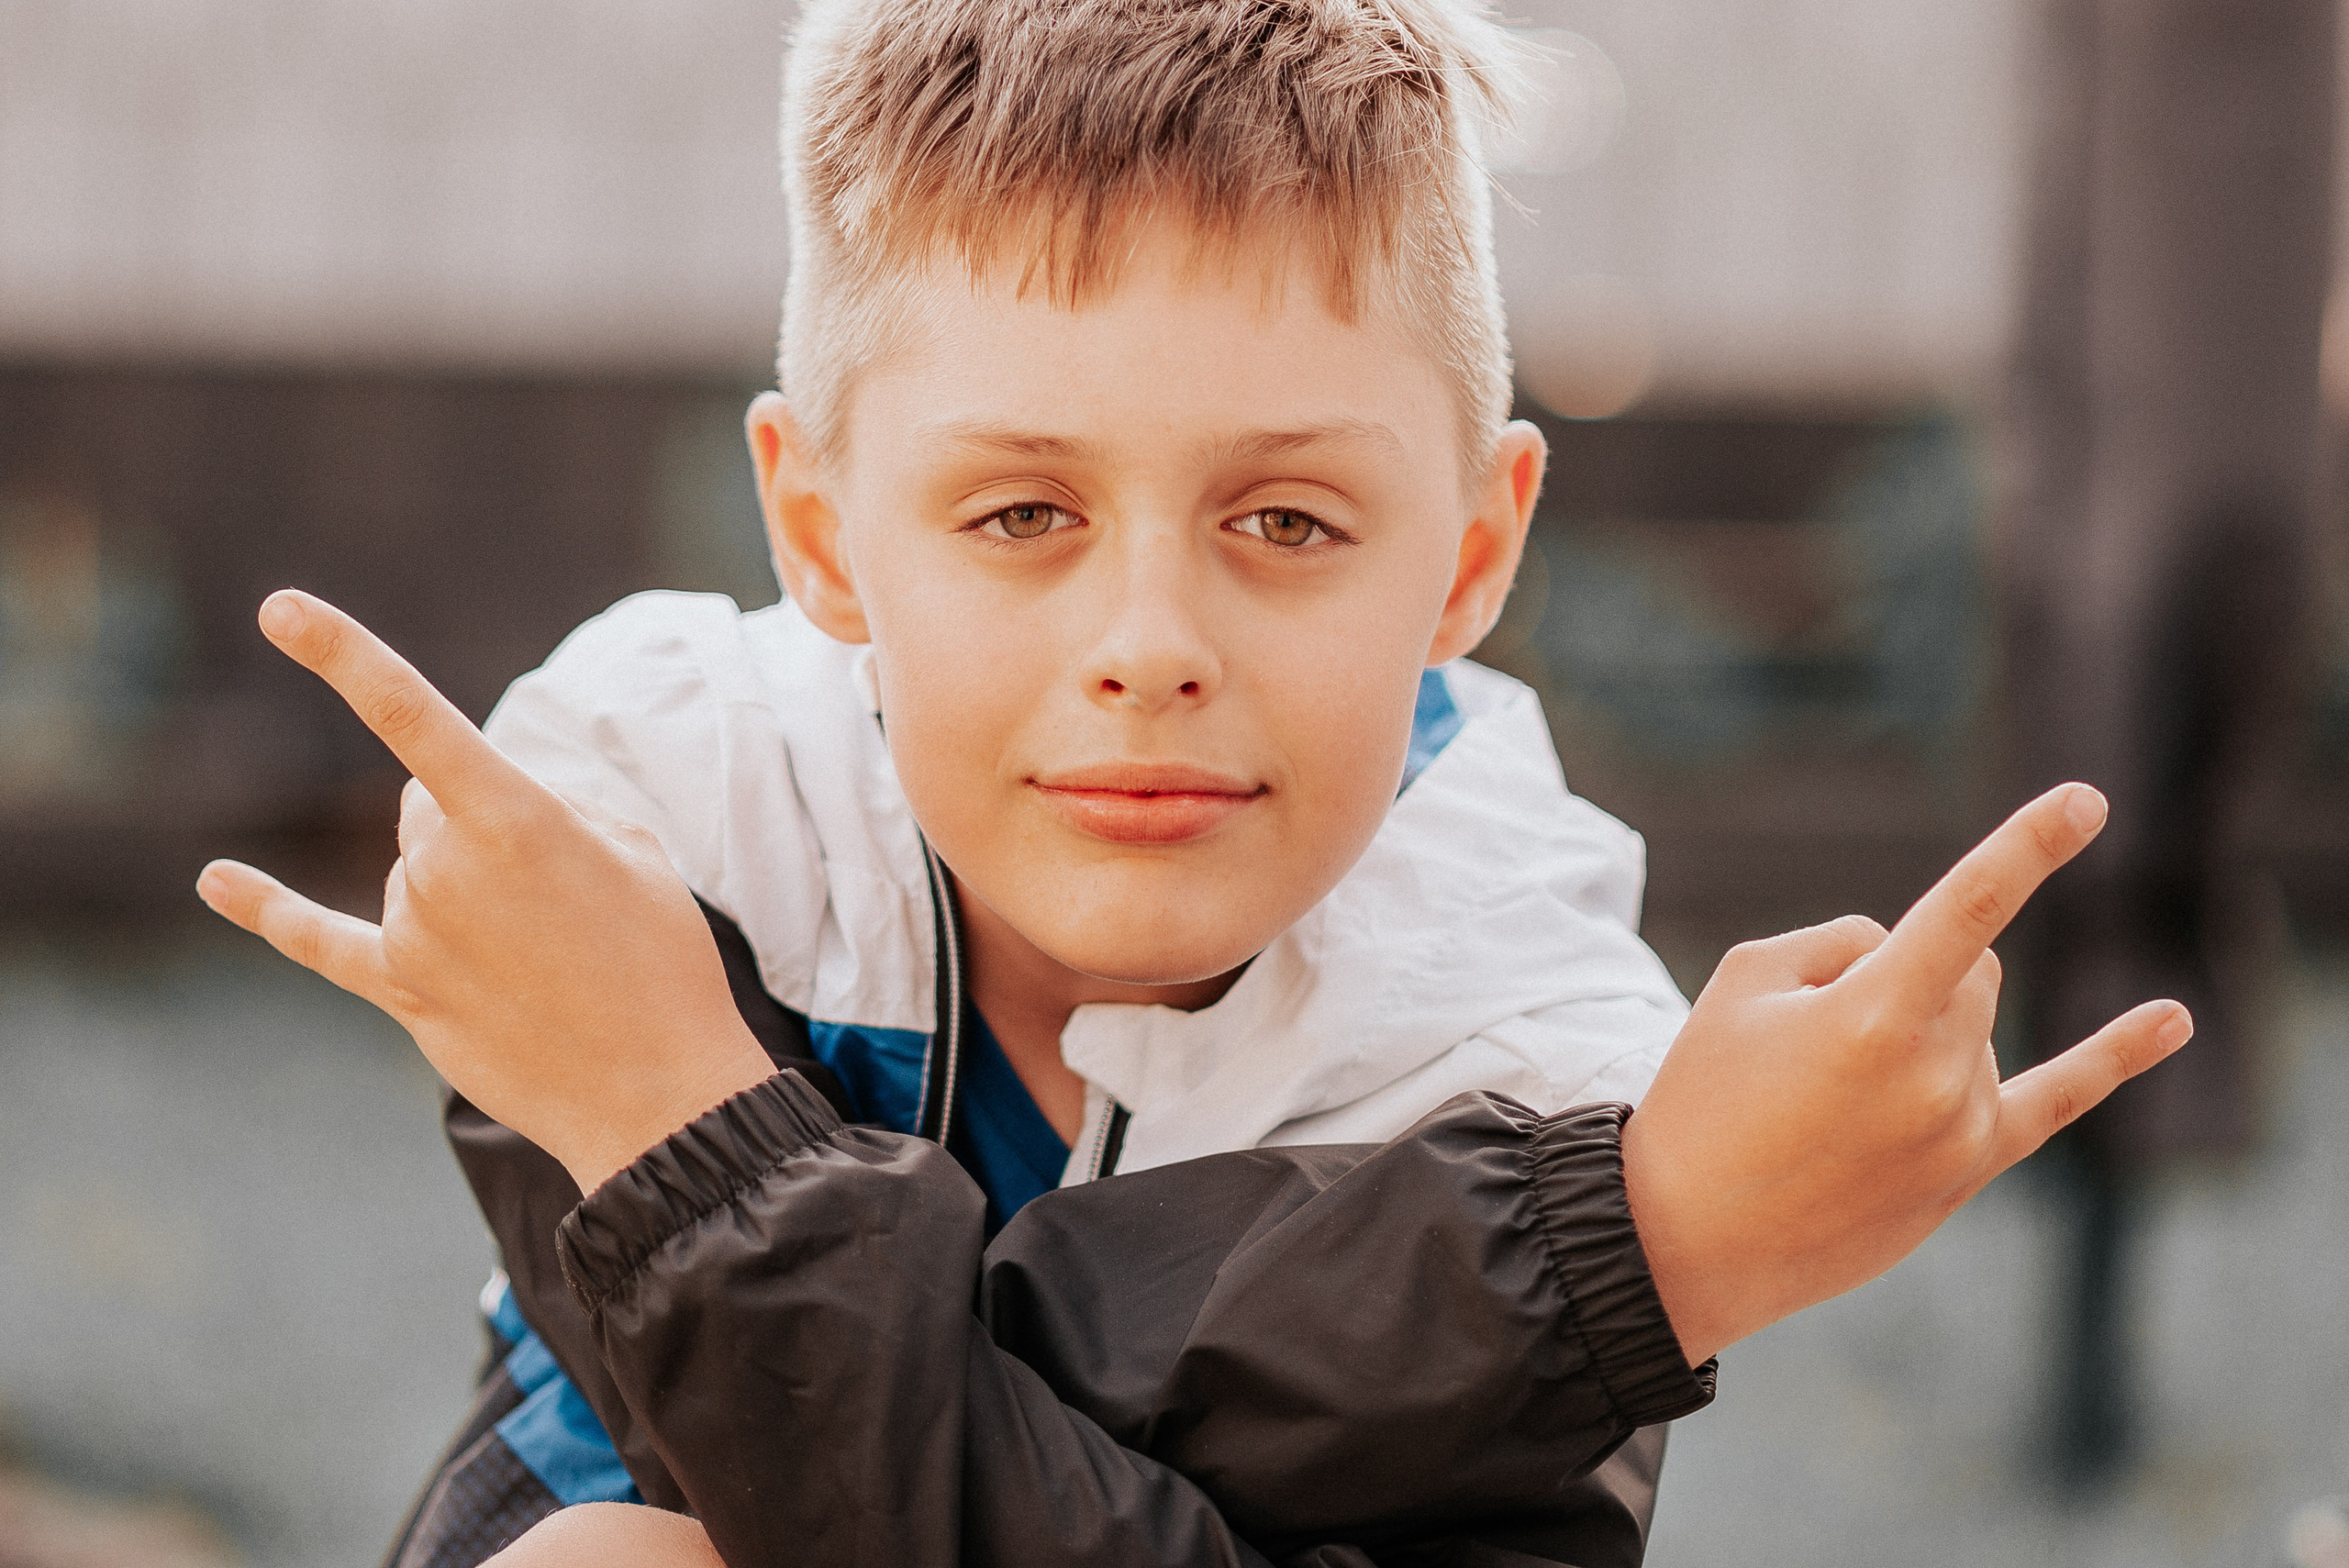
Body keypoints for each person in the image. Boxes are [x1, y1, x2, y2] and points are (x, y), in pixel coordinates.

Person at [193, 0, 2193, 1563]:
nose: (1149, 641)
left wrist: (683, 1128)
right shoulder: (639, 805)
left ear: (1472, 556)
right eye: (1021, 513)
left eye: (1287, 521)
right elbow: (755, 1461)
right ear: (816, 532)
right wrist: (1625, 1253)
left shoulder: (1530, 1049)